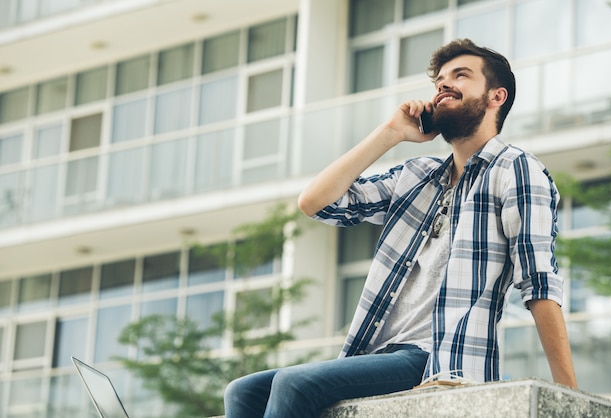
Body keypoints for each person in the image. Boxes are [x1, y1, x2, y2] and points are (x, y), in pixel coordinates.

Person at [223, 38, 577, 418]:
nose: (443, 85)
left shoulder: (516, 170)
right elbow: (316, 203)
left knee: (293, 384)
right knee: (244, 390)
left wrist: (569, 396)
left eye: (461, 76)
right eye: (439, 79)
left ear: (496, 97)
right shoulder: (417, 175)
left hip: (438, 358)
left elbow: (539, 282)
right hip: (377, 353)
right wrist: (391, 131)